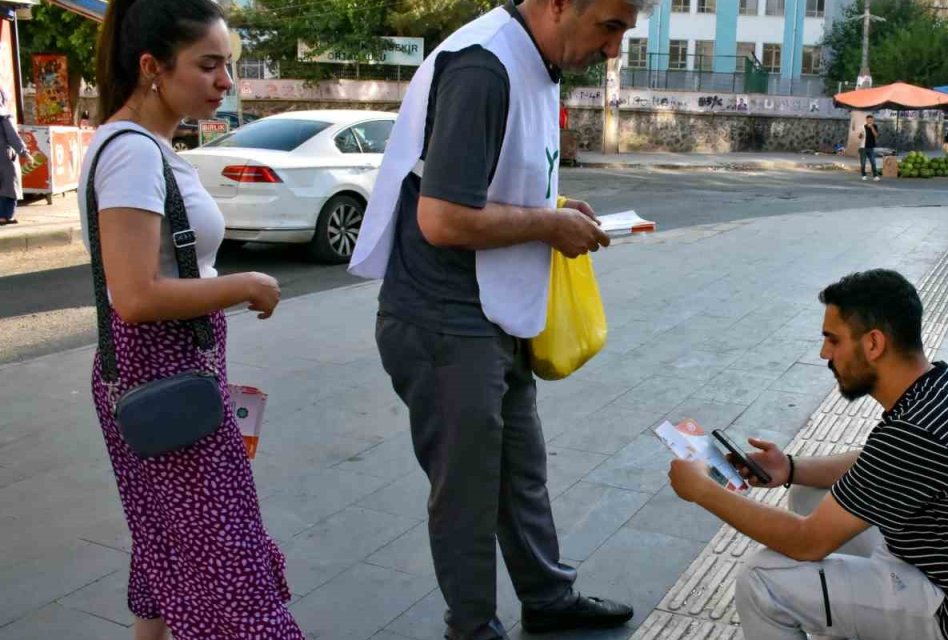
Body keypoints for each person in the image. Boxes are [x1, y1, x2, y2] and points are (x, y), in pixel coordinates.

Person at [347, 0, 644, 638]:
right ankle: (474, 628)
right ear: (559, 4)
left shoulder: (533, 60)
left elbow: (491, 180)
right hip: (443, 321)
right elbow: (442, 218)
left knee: (521, 468)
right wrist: (547, 223)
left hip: (490, 311)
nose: (614, 49)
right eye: (611, 26)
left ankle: (547, 597)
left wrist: (556, 205)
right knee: (468, 492)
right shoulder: (484, 67)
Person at [81, 1, 300, 638]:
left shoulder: (139, 145)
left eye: (226, 65)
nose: (224, 82)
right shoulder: (133, 153)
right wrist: (246, 284)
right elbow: (135, 295)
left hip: (157, 373)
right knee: (227, 565)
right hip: (164, 372)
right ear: (152, 67)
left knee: (166, 548)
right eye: (208, 65)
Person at [668, 269, 948, 640]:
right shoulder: (942, 385)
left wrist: (703, 491)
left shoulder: (915, 432)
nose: (824, 353)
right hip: (946, 572)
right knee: (807, 494)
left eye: (833, 340)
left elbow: (807, 541)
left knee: (760, 580)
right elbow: (878, 463)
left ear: (874, 343)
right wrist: (791, 468)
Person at [0, 90, 30, 226]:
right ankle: (6, 216)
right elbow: (13, 137)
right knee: (10, 186)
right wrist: (24, 152)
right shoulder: (5, 117)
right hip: (5, 158)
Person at [858, 114, 880, 182]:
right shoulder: (862, 127)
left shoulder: (875, 126)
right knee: (863, 163)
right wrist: (860, 134)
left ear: (873, 120)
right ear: (866, 120)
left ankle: (875, 176)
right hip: (863, 147)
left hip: (871, 148)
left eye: (871, 120)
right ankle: (864, 175)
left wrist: (872, 127)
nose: (870, 121)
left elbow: (876, 135)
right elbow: (859, 137)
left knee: (873, 162)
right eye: (869, 120)